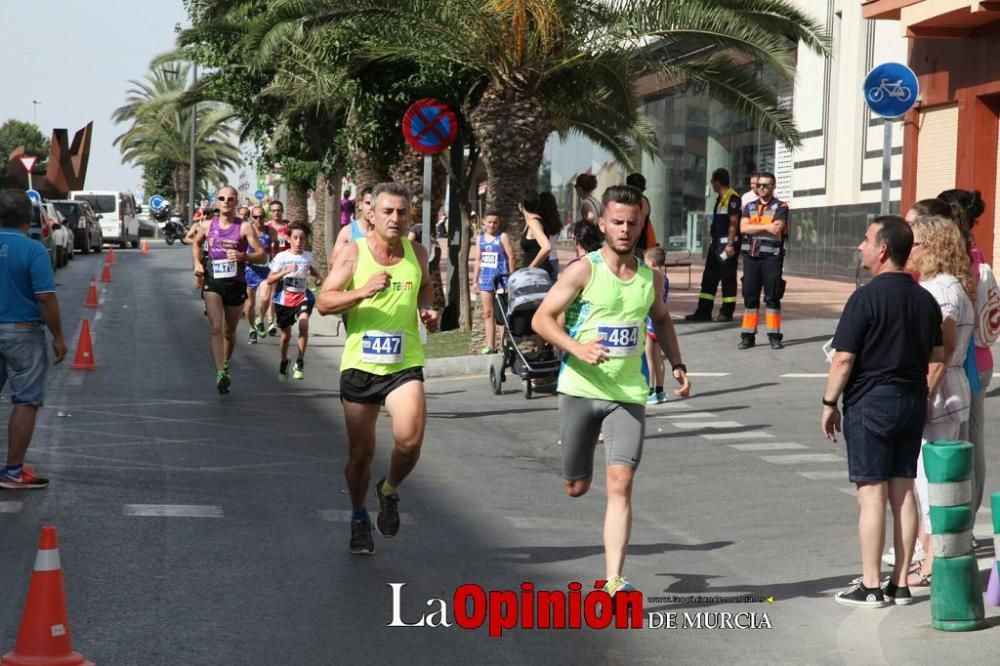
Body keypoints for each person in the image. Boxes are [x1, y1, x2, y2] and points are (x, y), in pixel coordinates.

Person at [531, 185, 691, 596]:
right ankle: (575, 459)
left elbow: (663, 320)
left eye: (632, 223)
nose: (624, 230)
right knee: (577, 487)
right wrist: (577, 348)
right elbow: (542, 319)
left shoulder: (649, 278)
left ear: (642, 225)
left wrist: (678, 365)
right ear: (601, 223)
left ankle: (614, 580)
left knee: (620, 483)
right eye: (616, 222)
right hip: (580, 390)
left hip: (628, 394)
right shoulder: (584, 270)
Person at [822, 215, 943, 608]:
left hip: (870, 400)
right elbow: (937, 355)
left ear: (884, 249)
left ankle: (871, 585)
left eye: (866, 240)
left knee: (871, 494)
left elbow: (843, 359)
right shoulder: (925, 299)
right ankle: (900, 583)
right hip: (911, 399)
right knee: (903, 490)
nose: (861, 247)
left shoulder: (865, 297)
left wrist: (828, 403)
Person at [317, 182, 440, 555]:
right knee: (361, 454)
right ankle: (358, 516)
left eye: (402, 212)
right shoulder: (354, 255)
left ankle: (388, 490)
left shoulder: (417, 252)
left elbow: (427, 289)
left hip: (404, 362)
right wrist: (361, 291)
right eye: (387, 211)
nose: (395, 218)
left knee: (410, 440)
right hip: (361, 364)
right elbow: (324, 301)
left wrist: (429, 311)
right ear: (371, 214)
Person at [905, 212, 975, 588]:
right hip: (945, 389)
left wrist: (920, 393)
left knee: (931, 480)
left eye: (913, 243)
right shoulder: (945, 285)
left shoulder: (941, 291)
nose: (909, 251)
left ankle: (934, 559)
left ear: (930, 247)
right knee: (927, 478)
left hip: (939, 393)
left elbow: (943, 350)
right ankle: (929, 554)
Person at [0, 190, 67, 490]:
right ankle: (13, 471)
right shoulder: (33, 250)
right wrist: (58, 337)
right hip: (22, 333)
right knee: (26, 401)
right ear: (30, 219)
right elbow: (45, 298)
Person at [937, 190, 992, 518]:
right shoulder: (977, 253)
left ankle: (952, 526)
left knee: (951, 447)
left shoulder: (950, 259)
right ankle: (966, 520)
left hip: (957, 361)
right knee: (973, 441)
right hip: (980, 360)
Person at [189, 185, 267, 394]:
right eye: (222, 198)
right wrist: (197, 264)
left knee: (229, 332)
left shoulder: (245, 228)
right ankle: (220, 373)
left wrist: (244, 257)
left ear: (236, 202)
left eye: (230, 199)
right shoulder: (206, 225)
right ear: (216, 201)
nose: (226, 202)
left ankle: (225, 365)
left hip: (236, 283)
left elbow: (263, 256)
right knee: (215, 327)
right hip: (213, 281)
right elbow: (196, 243)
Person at [738, 171, 788, 350]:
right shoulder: (749, 206)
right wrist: (766, 226)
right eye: (758, 185)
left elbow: (777, 229)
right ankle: (748, 336)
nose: (761, 188)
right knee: (750, 297)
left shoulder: (781, 206)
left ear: (773, 187)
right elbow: (743, 228)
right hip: (751, 258)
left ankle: (774, 335)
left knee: (772, 297)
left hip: (771, 258)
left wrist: (754, 227)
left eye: (765, 185)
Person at [267, 222, 322, 382]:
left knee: (303, 324)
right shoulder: (281, 257)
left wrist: (318, 277)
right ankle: (284, 361)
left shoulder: (308, 256)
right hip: (284, 300)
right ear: (289, 239)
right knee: (285, 335)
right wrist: (285, 271)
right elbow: (270, 279)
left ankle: (299, 361)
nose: (298, 242)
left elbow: (310, 268)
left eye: (302, 239)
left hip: (303, 296)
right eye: (295, 238)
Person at [686, 168, 741, 322]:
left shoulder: (733, 198)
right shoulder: (720, 198)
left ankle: (726, 312)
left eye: (712, 182)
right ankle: (703, 311)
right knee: (709, 278)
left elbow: (734, 222)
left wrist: (730, 245)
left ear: (717, 182)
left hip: (727, 246)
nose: (711, 185)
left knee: (727, 279)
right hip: (716, 245)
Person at [472, 211, 515, 354]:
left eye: (495, 222)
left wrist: (511, 277)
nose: (492, 225)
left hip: (501, 279)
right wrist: (474, 280)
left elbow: (511, 257)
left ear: (499, 223)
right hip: (485, 279)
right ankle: (491, 346)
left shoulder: (502, 237)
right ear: (484, 221)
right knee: (488, 313)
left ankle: (504, 344)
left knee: (501, 314)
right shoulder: (480, 239)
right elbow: (478, 259)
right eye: (489, 222)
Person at [643, 246, 670, 404]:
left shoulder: (653, 278)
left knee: (649, 357)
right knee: (658, 358)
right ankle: (660, 389)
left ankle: (651, 389)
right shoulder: (665, 278)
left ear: (652, 262)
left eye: (646, 261)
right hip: (660, 321)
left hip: (651, 321)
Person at [518, 191, 562, 280]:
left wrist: (530, 268)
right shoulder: (535, 221)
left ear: (521, 205)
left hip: (537, 274)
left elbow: (546, 247)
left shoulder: (534, 222)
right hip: (538, 272)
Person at [245, 205, 272, 344]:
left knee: (266, 298)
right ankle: (252, 329)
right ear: (252, 218)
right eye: (255, 217)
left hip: (265, 269)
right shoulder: (247, 230)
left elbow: (275, 251)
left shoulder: (270, 231)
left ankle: (260, 319)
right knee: (250, 304)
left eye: (261, 216)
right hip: (250, 269)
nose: (259, 219)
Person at [265, 200, 291, 337]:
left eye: (278, 210)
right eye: (274, 210)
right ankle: (271, 322)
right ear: (270, 212)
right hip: (274, 263)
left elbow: (296, 240)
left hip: (288, 263)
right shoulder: (267, 227)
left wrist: (288, 238)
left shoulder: (288, 226)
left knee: (286, 292)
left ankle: (284, 319)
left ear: (282, 211)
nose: (276, 213)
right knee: (273, 292)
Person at [331, 185, 373, 264]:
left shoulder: (384, 234)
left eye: (375, 204)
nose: (371, 208)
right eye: (368, 203)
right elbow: (333, 263)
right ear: (360, 205)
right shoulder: (347, 232)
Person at [625, 173, 658, 255]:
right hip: (634, 244)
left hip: (639, 246)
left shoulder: (641, 201)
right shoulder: (637, 200)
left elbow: (640, 224)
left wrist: (632, 244)